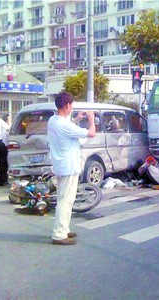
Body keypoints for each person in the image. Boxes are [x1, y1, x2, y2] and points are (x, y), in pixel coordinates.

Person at [47, 92, 95, 246]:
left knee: (66, 199)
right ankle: (59, 234)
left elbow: (68, 127)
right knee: (65, 201)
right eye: (72, 105)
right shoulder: (64, 125)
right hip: (68, 167)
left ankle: (64, 229)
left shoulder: (53, 120)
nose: (72, 107)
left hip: (61, 166)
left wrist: (77, 119)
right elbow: (91, 133)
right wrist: (91, 120)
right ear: (67, 105)